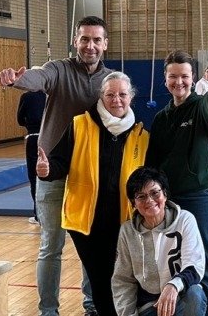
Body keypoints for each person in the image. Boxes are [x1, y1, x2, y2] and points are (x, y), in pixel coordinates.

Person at [0, 16, 112, 316]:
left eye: (96, 40)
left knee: (91, 247)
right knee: (51, 247)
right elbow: (37, 77)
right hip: (52, 174)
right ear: (76, 42)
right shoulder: (58, 69)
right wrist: (17, 79)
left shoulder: (110, 80)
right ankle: (48, 310)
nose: (90, 45)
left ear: (105, 44)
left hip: (90, 176)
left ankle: (93, 305)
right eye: (84, 39)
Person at [36, 72, 148, 316]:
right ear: (101, 96)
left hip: (123, 221)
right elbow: (58, 163)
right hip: (85, 222)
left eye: (122, 94)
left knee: (120, 277)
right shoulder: (79, 125)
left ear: (131, 97)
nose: (116, 99)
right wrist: (46, 170)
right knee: (99, 277)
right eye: (110, 94)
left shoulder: (141, 135)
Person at [145, 50, 208, 316]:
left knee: (206, 264)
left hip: (200, 198)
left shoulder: (201, 106)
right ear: (165, 79)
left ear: (193, 78)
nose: (179, 82)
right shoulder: (161, 118)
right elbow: (153, 163)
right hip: (169, 201)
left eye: (184, 76)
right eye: (173, 76)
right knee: (172, 265)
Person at [112, 167, 207, 316]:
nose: (149, 200)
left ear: (165, 194)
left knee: (195, 294)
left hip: (179, 299)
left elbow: (194, 266)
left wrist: (173, 285)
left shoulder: (185, 220)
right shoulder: (127, 231)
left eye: (155, 193)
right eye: (141, 196)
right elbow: (123, 280)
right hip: (148, 307)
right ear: (133, 203)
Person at [18, 90, 47, 225]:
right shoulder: (49, 95)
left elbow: (20, 119)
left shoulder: (26, 96)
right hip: (50, 137)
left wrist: (30, 124)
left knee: (34, 176)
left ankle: (38, 215)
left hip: (34, 136)